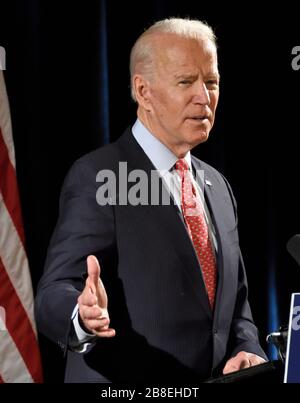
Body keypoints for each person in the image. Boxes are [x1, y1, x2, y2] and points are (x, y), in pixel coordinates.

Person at [35, 17, 267, 383]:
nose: (204, 97)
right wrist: (82, 316)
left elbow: (236, 307)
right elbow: (53, 292)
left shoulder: (217, 186)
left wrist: (246, 348)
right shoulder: (101, 175)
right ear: (143, 92)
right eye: (186, 81)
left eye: (211, 82)